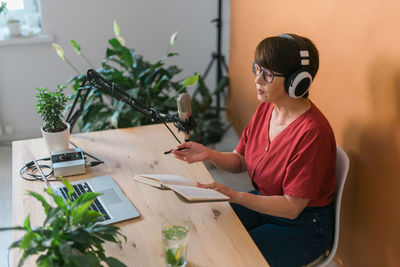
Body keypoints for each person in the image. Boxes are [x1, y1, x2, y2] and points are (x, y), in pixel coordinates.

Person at [172, 33, 336, 267]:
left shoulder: (312, 133)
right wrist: (209, 154)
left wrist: (236, 195)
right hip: (263, 202)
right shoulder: (267, 108)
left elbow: (291, 208)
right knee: (207, 229)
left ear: (296, 81)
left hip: (303, 227)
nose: (258, 79)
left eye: (268, 74)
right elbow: (240, 160)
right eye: (257, 68)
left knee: (231, 258)